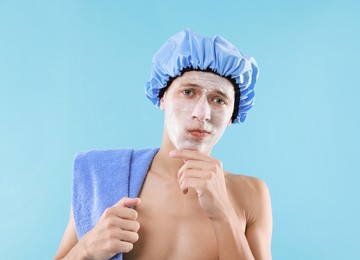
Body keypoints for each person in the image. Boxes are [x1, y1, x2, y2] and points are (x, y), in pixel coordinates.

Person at [54, 29, 272, 260]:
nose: (202, 113)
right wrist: (86, 250)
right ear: (162, 98)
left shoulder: (251, 195)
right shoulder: (98, 175)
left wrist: (223, 214)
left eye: (219, 100)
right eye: (188, 92)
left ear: (232, 116)